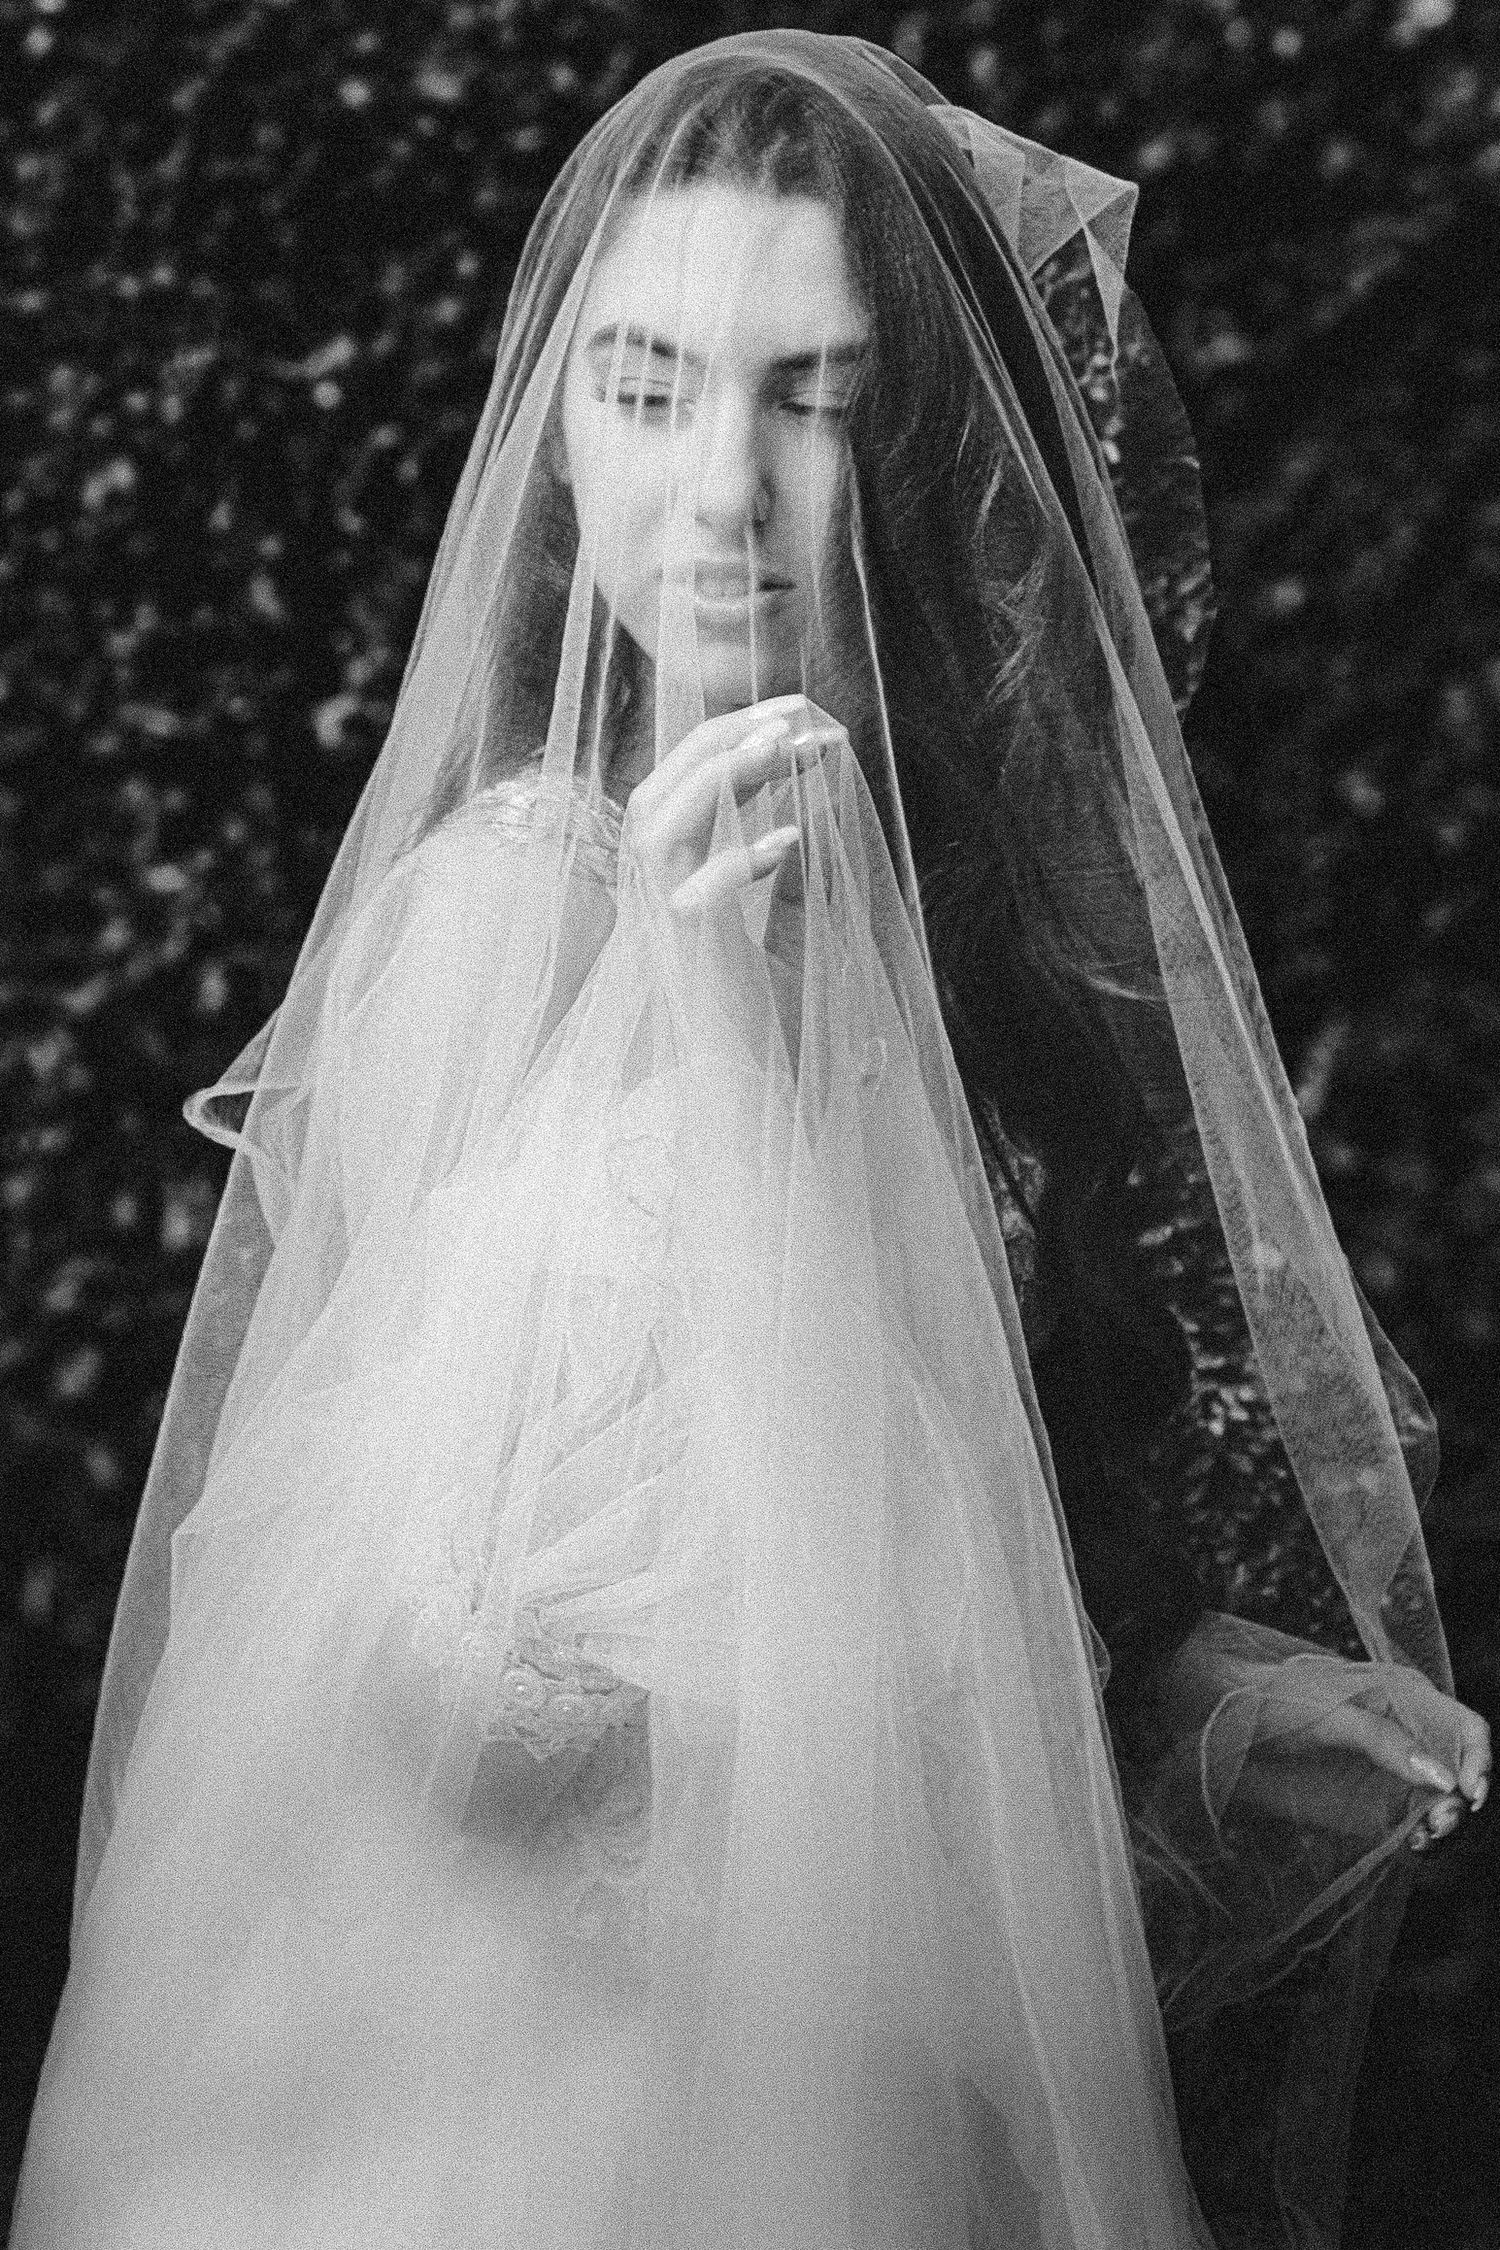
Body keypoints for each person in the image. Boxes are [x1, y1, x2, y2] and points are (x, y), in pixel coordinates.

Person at [9, 31, 1488, 2250]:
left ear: (907, 453)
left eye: (810, 396)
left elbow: (936, 1560)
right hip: (534, 2128)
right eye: (643, 386)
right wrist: (713, 1070)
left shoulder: (927, 935)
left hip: (861, 2101)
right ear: (559, 446)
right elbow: (443, 1691)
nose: (720, 483)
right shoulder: (512, 917)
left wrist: (1183, 1726)